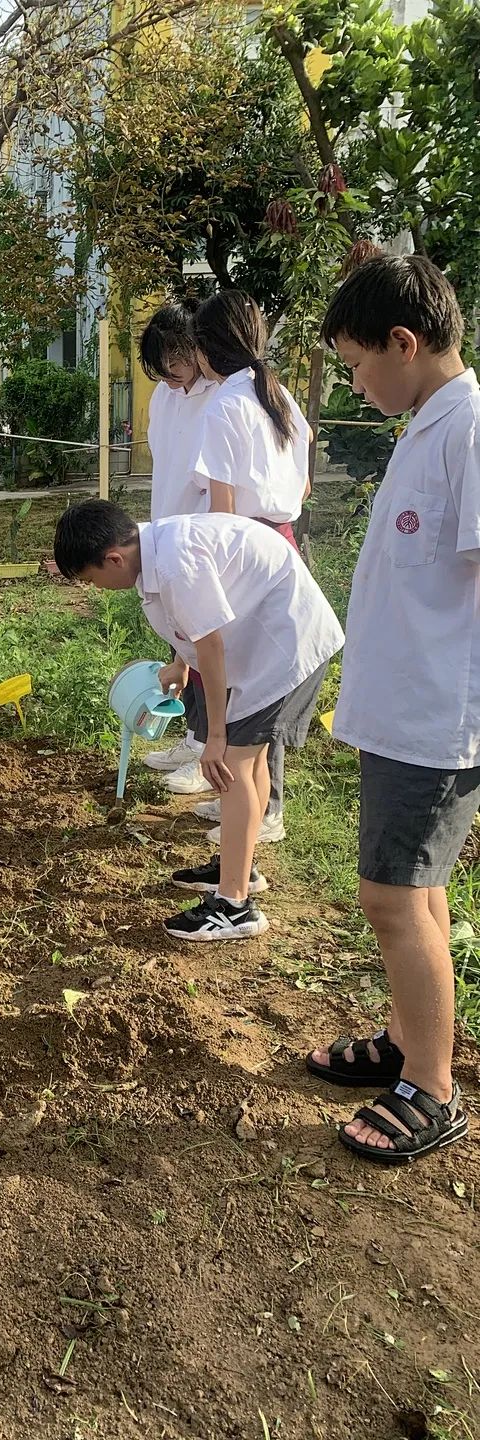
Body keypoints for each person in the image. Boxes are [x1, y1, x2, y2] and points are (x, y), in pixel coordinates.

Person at [306, 255, 477, 1163]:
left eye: (356, 364)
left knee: (392, 896)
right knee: (418, 893)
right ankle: (414, 1044)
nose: (354, 381)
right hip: (405, 709)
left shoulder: (468, 428)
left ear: (404, 344)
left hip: (436, 718)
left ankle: (433, 1089)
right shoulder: (426, 423)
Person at [54, 500, 342, 941]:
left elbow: (211, 645)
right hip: (266, 640)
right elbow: (194, 624)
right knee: (247, 762)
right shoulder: (150, 549)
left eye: (92, 580)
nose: (97, 589)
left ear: (114, 558)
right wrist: (179, 663)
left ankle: (235, 905)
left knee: (233, 765)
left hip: (285, 646)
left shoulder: (173, 564)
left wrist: (215, 735)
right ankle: (238, 867)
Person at [181, 290, 313, 844]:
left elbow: (223, 510)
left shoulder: (226, 406)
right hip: (282, 542)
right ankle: (249, 800)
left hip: (245, 551)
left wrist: (220, 579)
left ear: (207, 352)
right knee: (264, 677)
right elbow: (304, 485)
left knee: (255, 682)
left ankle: (265, 810)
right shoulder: (280, 397)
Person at [136, 301, 219, 787]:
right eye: (160, 366)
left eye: (176, 361)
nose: (169, 373)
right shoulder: (166, 399)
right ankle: (192, 735)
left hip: (202, 537)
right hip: (167, 527)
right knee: (179, 638)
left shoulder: (219, 394)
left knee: (208, 643)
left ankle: (210, 745)